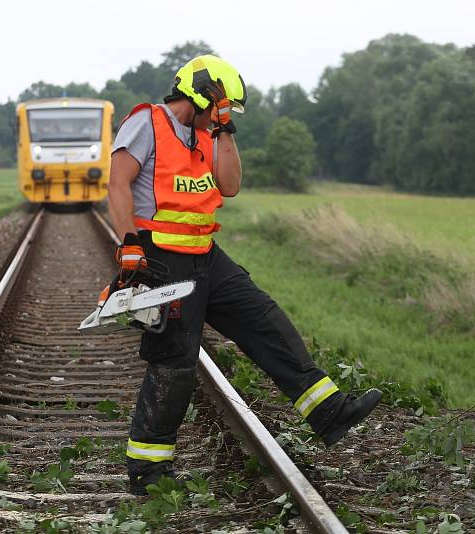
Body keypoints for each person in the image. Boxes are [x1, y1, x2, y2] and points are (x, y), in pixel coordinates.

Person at [105, 55, 382, 495]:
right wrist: (128, 243)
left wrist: (224, 129)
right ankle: (148, 473)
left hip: (206, 257)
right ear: (200, 92)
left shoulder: (207, 133)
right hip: (162, 259)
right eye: (222, 106)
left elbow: (229, 185)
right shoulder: (147, 122)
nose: (224, 113)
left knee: (264, 320)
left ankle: (328, 412)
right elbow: (118, 183)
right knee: (175, 363)